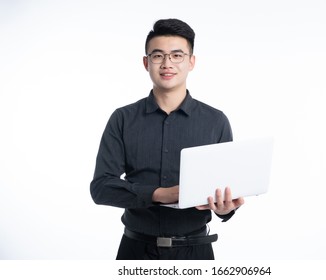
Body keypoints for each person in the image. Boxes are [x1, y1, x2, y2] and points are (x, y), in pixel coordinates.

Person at [90, 18, 244, 260]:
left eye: (177, 56)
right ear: (146, 62)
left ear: (191, 62)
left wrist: (226, 209)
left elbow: (224, 191)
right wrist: (159, 194)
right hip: (135, 251)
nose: (167, 64)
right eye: (158, 55)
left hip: (196, 252)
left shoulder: (216, 121)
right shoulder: (122, 119)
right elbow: (101, 188)